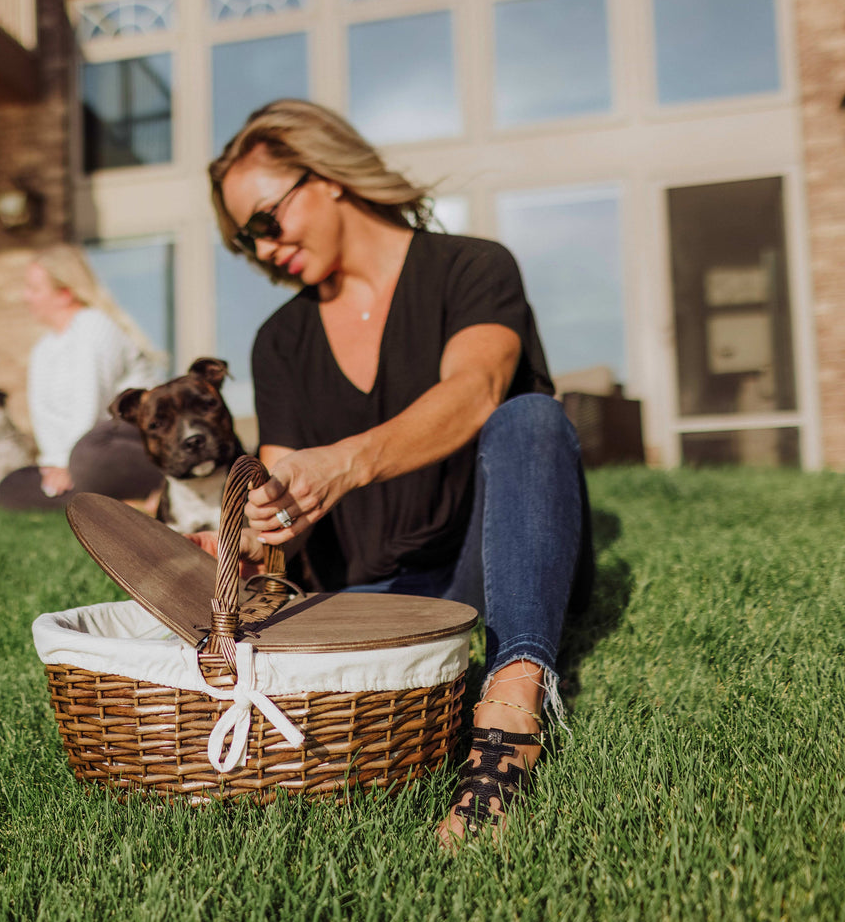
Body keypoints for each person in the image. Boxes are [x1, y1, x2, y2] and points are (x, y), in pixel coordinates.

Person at [204, 99, 590, 846]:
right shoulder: (279, 341)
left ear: (327, 177)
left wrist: (346, 463)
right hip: (371, 596)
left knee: (530, 418)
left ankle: (509, 713)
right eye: (246, 241)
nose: (264, 249)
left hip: (491, 569)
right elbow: (283, 489)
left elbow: (475, 391)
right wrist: (249, 535)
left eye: (266, 220)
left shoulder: (473, 267)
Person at [0, 245, 166, 511]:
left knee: (89, 458)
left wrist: (68, 463)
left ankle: (119, 493)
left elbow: (90, 405)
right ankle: (117, 501)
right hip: (80, 456)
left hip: (127, 442)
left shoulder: (94, 325)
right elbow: (44, 419)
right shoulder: (43, 348)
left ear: (64, 294)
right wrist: (53, 464)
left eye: (34, 289)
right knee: (10, 486)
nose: (25, 296)